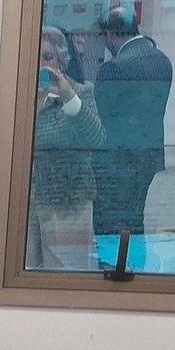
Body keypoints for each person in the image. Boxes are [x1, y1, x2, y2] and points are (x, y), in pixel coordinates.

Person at [28, 26, 105, 270]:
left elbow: (96, 138)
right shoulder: (18, 95)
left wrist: (67, 95)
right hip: (24, 202)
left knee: (67, 273)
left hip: (68, 204)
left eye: (48, 57)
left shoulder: (80, 93)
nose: (40, 64)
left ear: (62, 60)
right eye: (35, 57)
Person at [92, 5, 173, 237]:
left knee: (110, 229)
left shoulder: (114, 68)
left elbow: (101, 118)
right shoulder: (163, 60)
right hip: (148, 158)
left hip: (115, 165)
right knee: (135, 222)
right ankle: (136, 269)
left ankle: (114, 271)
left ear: (109, 34)